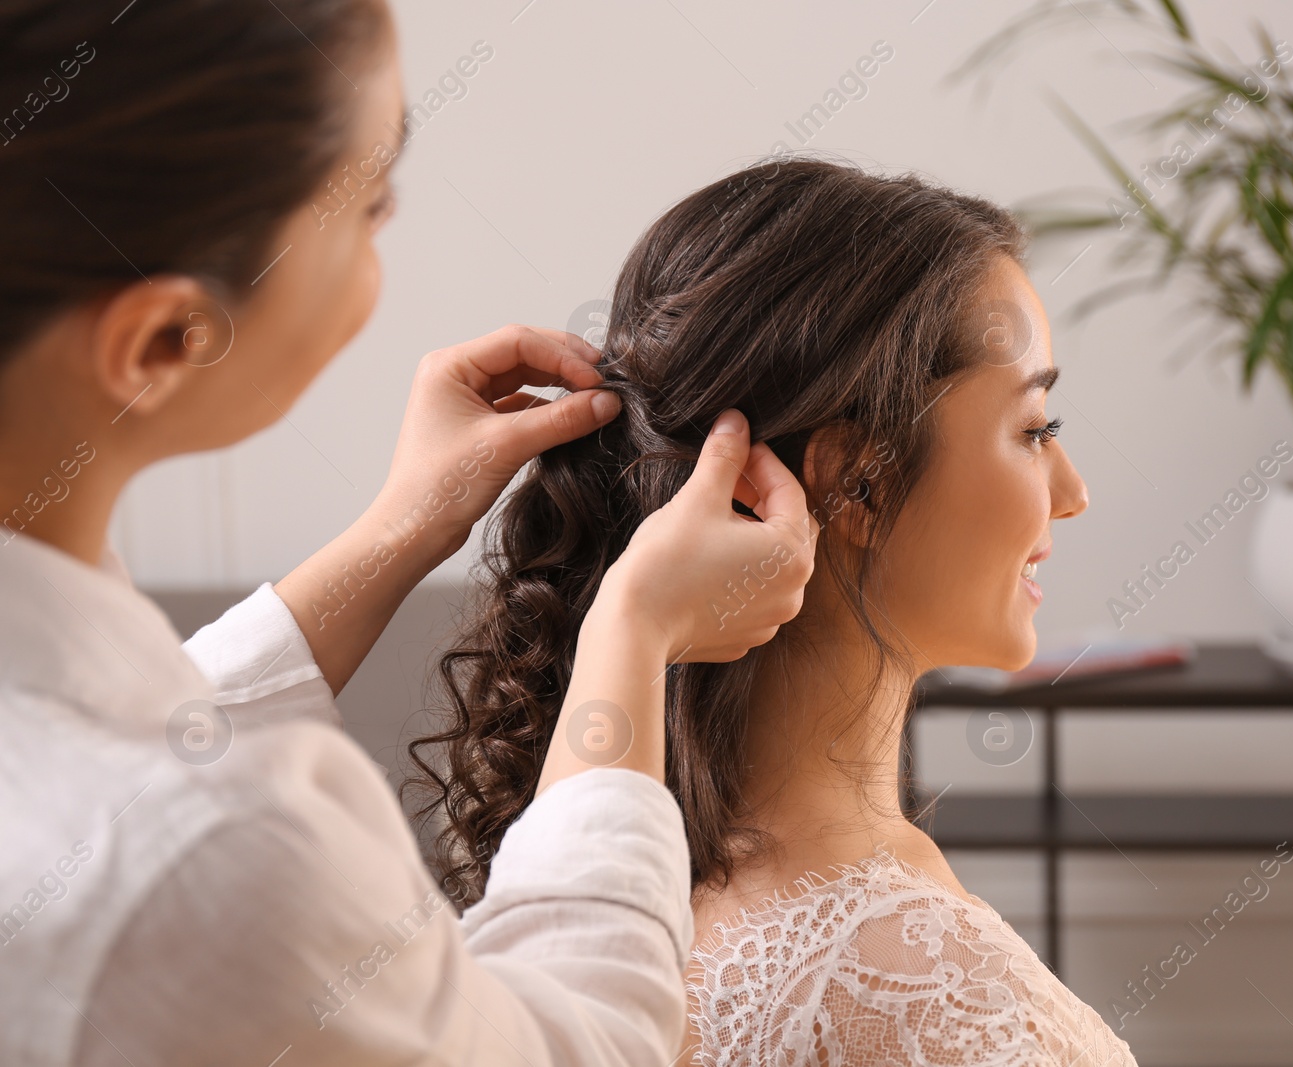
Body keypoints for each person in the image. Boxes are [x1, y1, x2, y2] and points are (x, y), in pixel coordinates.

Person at [0, 2, 815, 1064]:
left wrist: (399, 528)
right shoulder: (218, 857)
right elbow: (579, 1045)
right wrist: (634, 635)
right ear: (162, 339)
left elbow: (121, 745)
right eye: (367, 201)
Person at [415, 159, 1140, 1065]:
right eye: (1034, 429)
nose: (1070, 493)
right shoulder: (941, 997)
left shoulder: (641, 902)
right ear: (858, 481)